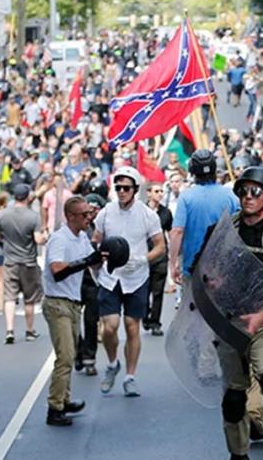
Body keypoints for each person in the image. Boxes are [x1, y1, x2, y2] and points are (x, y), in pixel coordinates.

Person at [203, 167, 263, 460]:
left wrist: (262, 316)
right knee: (234, 398)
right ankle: (239, 453)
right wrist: (212, 281)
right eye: (243, 191)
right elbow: (203, 272)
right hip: (231, 323)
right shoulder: (222, 232)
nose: (248, 197)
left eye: (255, 191)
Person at [92, 166, 165, 398]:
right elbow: (96, 240)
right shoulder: (106, 212)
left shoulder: (147, 215)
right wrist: (99, 256)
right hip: (111, 276)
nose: (121, 192)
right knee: (109, 326)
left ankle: (130, 377)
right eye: (118, 188)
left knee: (132, 327)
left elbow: (160, 246)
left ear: (135, 189)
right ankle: (113, 364)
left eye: (126, 188)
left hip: (136, 277)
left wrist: (143, 259)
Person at [42, 195, 103, 426]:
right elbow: (57, 270)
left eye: (90, 213)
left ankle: (64, 400)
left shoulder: (81, 238)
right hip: (58, 303)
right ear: (71, 217)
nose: (89, 218)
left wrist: (102, 255)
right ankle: (54, 408)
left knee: (69, 354)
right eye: (84, 214)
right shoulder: (60, 239)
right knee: (65, 357)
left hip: (73, 302)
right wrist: (87, 261)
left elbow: (93, 263)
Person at [168, 150, 239, 295]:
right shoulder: (231, 195)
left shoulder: (186, 197)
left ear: (193, 172)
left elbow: (177, 231)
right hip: (224, 267)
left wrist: (173, 262)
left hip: (193, 267)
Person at [0, 184, 47, 344]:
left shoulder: (3, 215)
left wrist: (7, 241)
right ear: (27, 197)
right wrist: (45, 237)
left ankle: (9, 330)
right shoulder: (33, 217)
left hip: (10, 261)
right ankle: (29, 331)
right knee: (29, 299)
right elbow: (38, 240)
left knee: (10, 297)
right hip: (28, 262)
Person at [76, 193, 106, 376]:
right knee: (71, 320)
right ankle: (78, 351)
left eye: (95, 209)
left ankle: (89, 358)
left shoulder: (103, 228)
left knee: (91, 320)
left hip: (95, 279)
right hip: (75, 278)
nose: (92, 212)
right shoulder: (76, 227)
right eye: (89, 208)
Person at [144, 182, 172, 337]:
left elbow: (171, 232)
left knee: (158, 292)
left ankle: (155, 322)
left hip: (160, 256)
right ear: (148, 193)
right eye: (156, 191)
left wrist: (173, 256)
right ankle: (145, 315)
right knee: (143, 291)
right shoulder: (141, 211)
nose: (160, 194)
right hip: (143, 256)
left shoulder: (166, 213)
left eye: (161, 191)